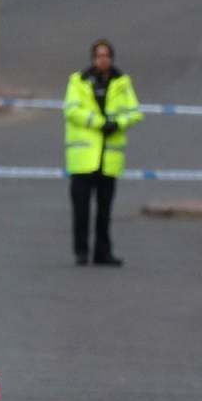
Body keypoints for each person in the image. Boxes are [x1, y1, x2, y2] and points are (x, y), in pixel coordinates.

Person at [63, 40, 142, 267]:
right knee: (81, 208)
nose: (103, 59)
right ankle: (81, 251)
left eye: (106, 55)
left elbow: (135, 112)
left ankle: (102, 252)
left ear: (112, 58)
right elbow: (72, 110)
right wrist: (100, 123)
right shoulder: (78, 81)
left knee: (105, 210)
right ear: (92, 58)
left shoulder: (122, 82)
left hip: (109, 158)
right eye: (99, 55)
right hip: (84, 158)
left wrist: (117, 123)